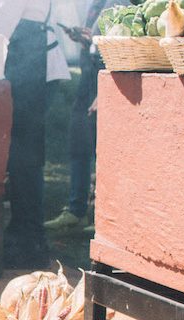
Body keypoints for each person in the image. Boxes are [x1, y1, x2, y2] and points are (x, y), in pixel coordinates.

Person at [0, 0, 70, 269]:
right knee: (23, 159)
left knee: (24, 159)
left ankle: (28, 244)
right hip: (32, 66)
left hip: (33, 67)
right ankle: (24, 237)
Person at [45, 0, 125, 234]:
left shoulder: (121, 2)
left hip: (106, 78)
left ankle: (106, 217)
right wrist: (84, 38)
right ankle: (76, 210)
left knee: (106, 152)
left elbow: (120, 45)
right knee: (78, 144)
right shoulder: (97, 3)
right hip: (88, 77)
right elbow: (98, 40)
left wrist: (105, 93)